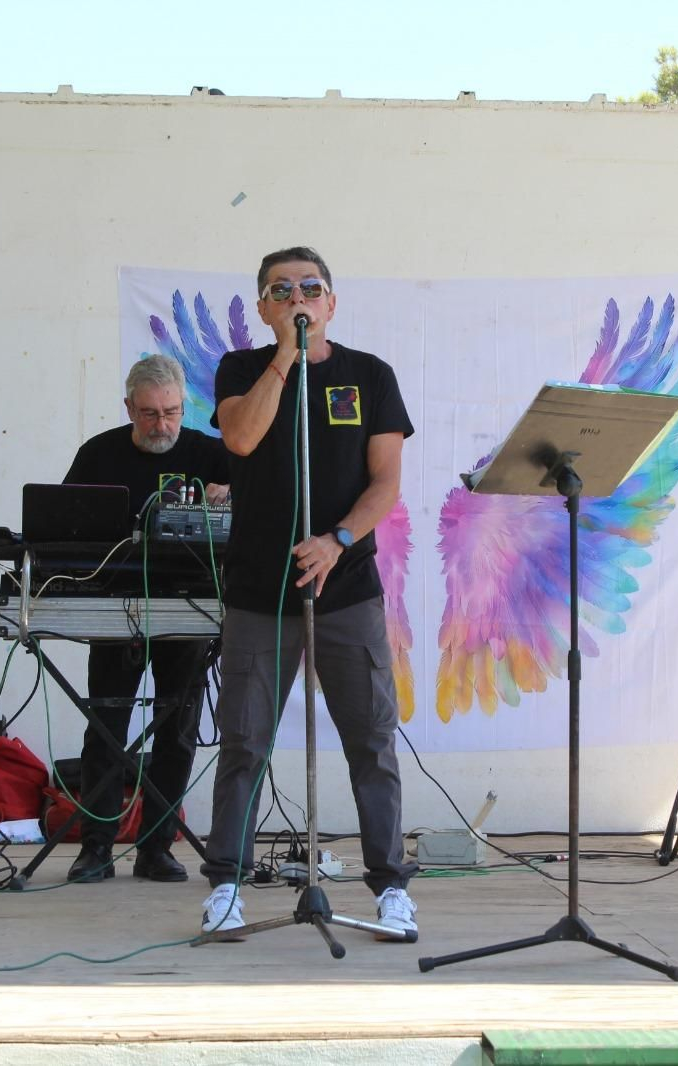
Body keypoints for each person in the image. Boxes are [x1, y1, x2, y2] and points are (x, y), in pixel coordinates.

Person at [199, 246, 419, 939]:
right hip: (259, 593)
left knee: (371, 743)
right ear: (266, 308)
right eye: (281, 289)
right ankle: (226, 886)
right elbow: (239, 436)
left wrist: (338, 542)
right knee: (245, 741)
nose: (298, 297)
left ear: (332, 302)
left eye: (311, 287)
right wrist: (284, 360)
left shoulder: (369, 376)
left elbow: (385, 482)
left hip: (347, 587)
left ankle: (389, 890)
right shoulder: (243, 370)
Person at [62, 353, 230, 884]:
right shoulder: (98, 455)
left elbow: (256, 520)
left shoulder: (213, 455)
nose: (163, 426)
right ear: (129, 407)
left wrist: (231, 499)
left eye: (173, 413)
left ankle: (157, 847)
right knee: (106, 728)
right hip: (118, 608)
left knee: (176, 733)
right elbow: (65, 529)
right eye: (151, 414)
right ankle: (95, 847)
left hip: (190, 608)